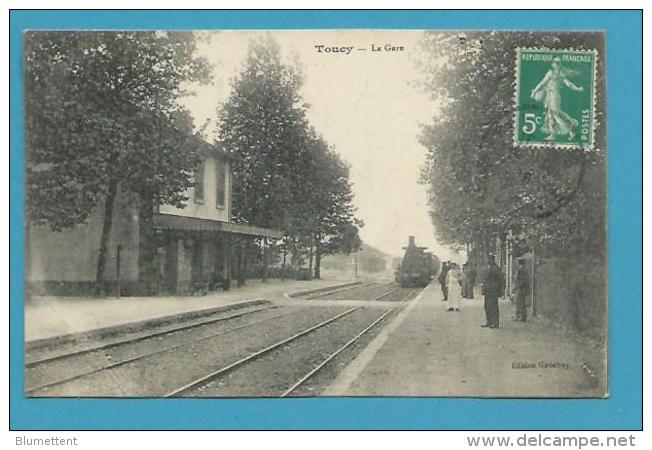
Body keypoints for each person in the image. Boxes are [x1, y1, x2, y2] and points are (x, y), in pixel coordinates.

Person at [530, 56, 584, 141]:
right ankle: (553, 134)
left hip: (554, 95)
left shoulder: (555, 73)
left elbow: (568, 84)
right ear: (553, 64)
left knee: (555, 114)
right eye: (556, 63)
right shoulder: (558, 73)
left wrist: (577, 89)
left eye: (558, 63)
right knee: (550, 114)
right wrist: (535, 91)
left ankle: (571, 128)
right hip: (550, 95)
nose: (557, 64)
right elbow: (542, 83)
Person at [481, 254, 505, 329]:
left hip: (493, 291)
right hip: (488, 291)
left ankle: (495, 323)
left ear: (492, 260)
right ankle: (489, 322)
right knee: (487, 306)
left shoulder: (496, 269)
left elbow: (501, 280)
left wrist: (500, 290)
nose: (488, 261)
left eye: (490, 260)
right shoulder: (489, 268)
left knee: (493, 307)